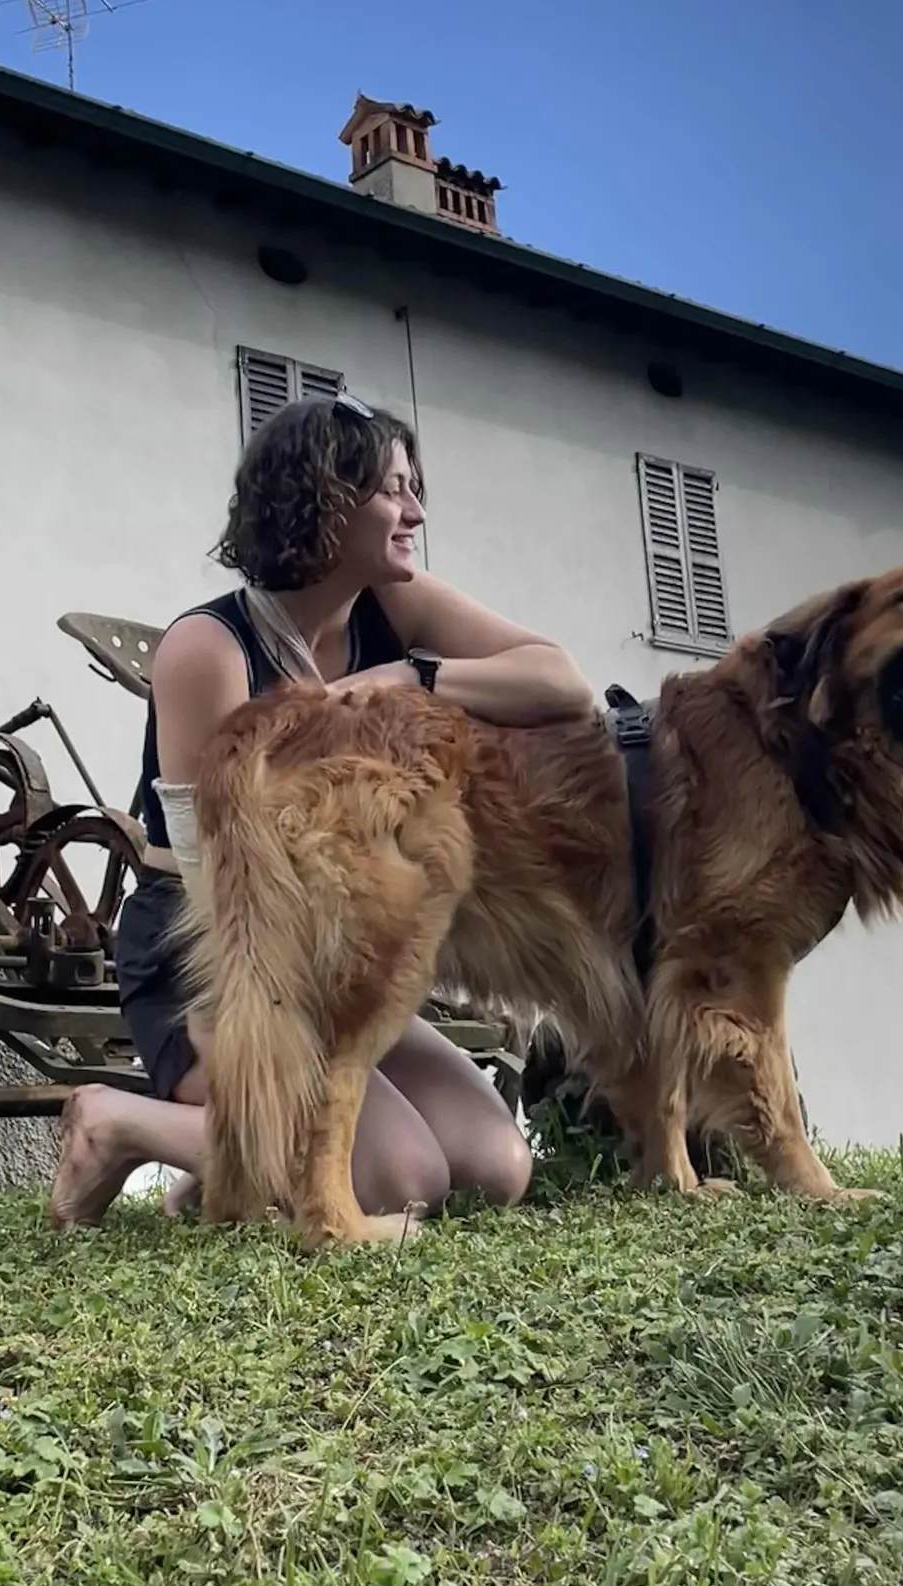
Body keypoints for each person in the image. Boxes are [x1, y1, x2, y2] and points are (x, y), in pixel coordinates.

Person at [47, 392, 597, 1228]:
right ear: (327, 502)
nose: (415, 514)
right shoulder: (208, 649)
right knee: (404, 1177)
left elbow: (562, 684)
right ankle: (117, 1124)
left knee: (495, 1166)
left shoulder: (395, 606)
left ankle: (223, 1163)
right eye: (393, 491)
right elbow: (214, 873)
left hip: (333, 951)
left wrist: (412, 676)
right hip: (215, 955)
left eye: (415, 490)